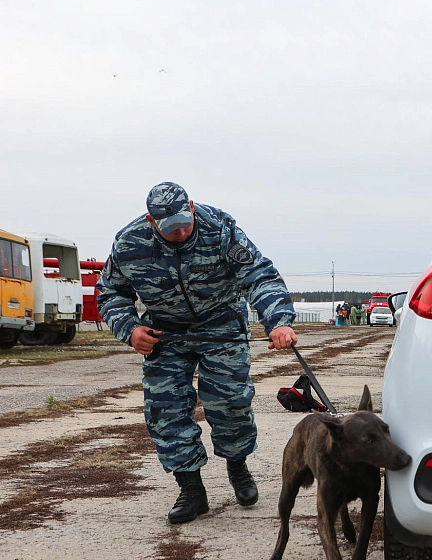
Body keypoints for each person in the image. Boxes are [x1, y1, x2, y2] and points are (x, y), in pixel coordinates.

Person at [96, 182, 298, 524]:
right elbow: (110, 292)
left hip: (221, 323)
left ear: (190, 207)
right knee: (165, 409)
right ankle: (191, 489)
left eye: (184, 223)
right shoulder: (130, 243)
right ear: (151, 221)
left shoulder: (219, 229)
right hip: (166, 332)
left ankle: (237, 467)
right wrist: (130, 330)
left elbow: (258, 276)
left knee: (229, 401)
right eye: (170, 228)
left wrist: (278, 322)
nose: (180, 233)